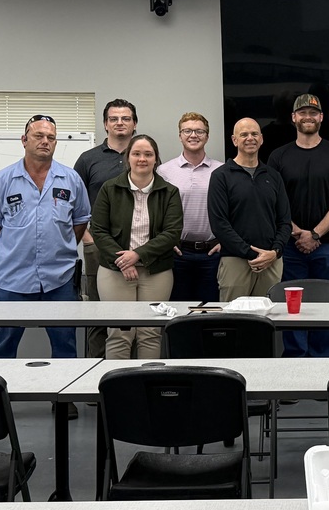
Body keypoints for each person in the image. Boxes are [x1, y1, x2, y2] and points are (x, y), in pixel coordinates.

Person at [0, 115, 90, 417]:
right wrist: (15, 250)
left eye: (51, 137)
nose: (45, 141)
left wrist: (60, 248)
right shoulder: (3, 180)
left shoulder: (70, 179)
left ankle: (64, 400)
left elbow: (79, 222)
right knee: (4, 344)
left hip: (58, 279)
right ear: (24, 140)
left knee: (65, 344)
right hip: (13, 279)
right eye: (39, 135)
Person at [267, 94, 329, 358]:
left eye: (313, 113)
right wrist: (297, 232)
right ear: (293, 117)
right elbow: (274, 202)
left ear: (321, 118)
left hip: (327, 245)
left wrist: (314, 234)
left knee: (326, 306)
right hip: (290, 247)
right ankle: (295, 364)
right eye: (302, 113)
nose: (308, 117)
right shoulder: (278, 156)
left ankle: (323, 365)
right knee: (292, 309)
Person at [90, 135, 183, 360]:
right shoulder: (109, 189)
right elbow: (99, 230)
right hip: (115, 271)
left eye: (148, 154)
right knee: (119, 333)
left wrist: (137, 255)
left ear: (156, 159)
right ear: (128, 158)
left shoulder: (169, 192)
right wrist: (123, 261)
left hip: (156, 271)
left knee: (150, 333)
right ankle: (117, 391)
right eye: (137, 154)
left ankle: (146, 391)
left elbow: (172, 233)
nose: (142, 159)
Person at [74, 98, 138, 358]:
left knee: (137, 315)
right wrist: (88, 239)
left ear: (134, 124)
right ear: (105, 124)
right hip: (98, 246)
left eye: (125, 118)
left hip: (137, 247)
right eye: (114, 119)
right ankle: (95, 386)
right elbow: (72, 203)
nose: (119, 123)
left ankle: (131, 379)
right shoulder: (88, 159)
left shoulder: (143, 154)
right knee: (100, 313)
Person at [208, 118, 291, 300]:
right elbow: (219, 224)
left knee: (268, 322)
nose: (250, 138)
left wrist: (274, 252)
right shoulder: (221, 176)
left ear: (261, 139)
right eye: (243, 134)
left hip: (271, 262)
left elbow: (284, 222)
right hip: (235, 262)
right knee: (234, 322)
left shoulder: (274, 176)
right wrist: (252, 253)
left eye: (254, 134)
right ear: (234, 140)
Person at [156, 112, 223, 303]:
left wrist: (224, 241)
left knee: (210, 312)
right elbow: (157, 211)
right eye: (187, 130)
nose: (193, 135)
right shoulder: (164, 171)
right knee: (179, 313)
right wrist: (167, 241)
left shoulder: (221, 171)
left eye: (199, 131)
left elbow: (231, 211)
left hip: (212, 255)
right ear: (180, 135)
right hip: (178, 254)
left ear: (207, 136)